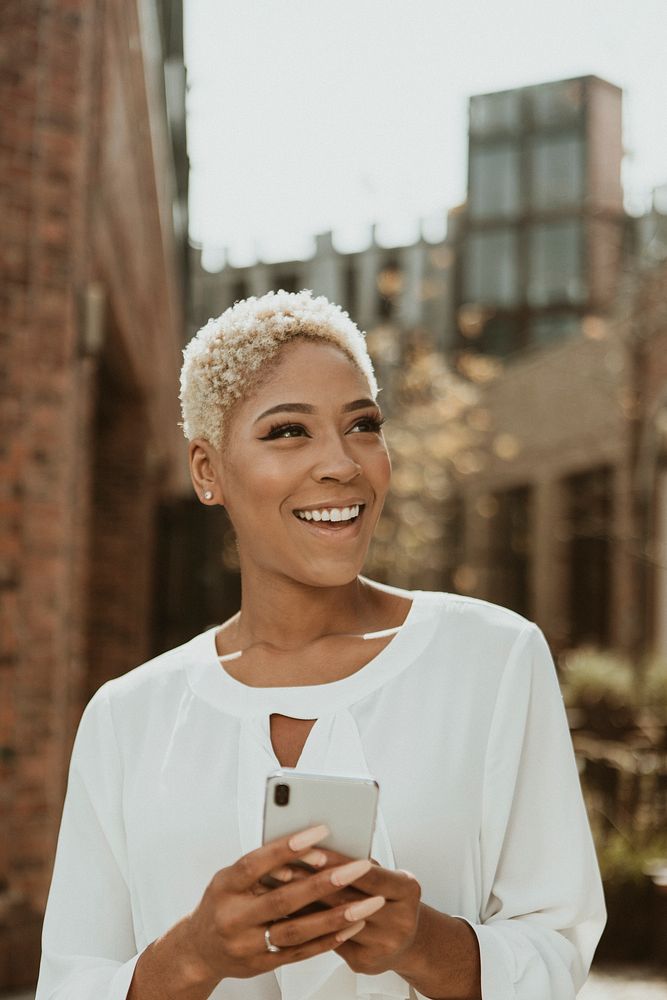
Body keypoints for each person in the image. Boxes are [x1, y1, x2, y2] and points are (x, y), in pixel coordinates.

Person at [35, 289, 606, 1000]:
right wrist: (193, 953)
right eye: (287, 432)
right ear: (207, 471)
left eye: (362, 424)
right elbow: (71, 981)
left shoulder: (492, 658)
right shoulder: (129, 716)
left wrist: (420, 941)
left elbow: (558, 942)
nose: (342, 464)